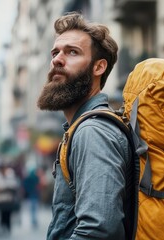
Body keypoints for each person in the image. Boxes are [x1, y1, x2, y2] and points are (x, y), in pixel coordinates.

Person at [37, 12, 131, 239]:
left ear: (98, 67)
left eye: (72, 52)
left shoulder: (93, 132)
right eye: (55, 52)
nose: (57, 59)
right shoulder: (81, 128)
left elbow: (98, 231)